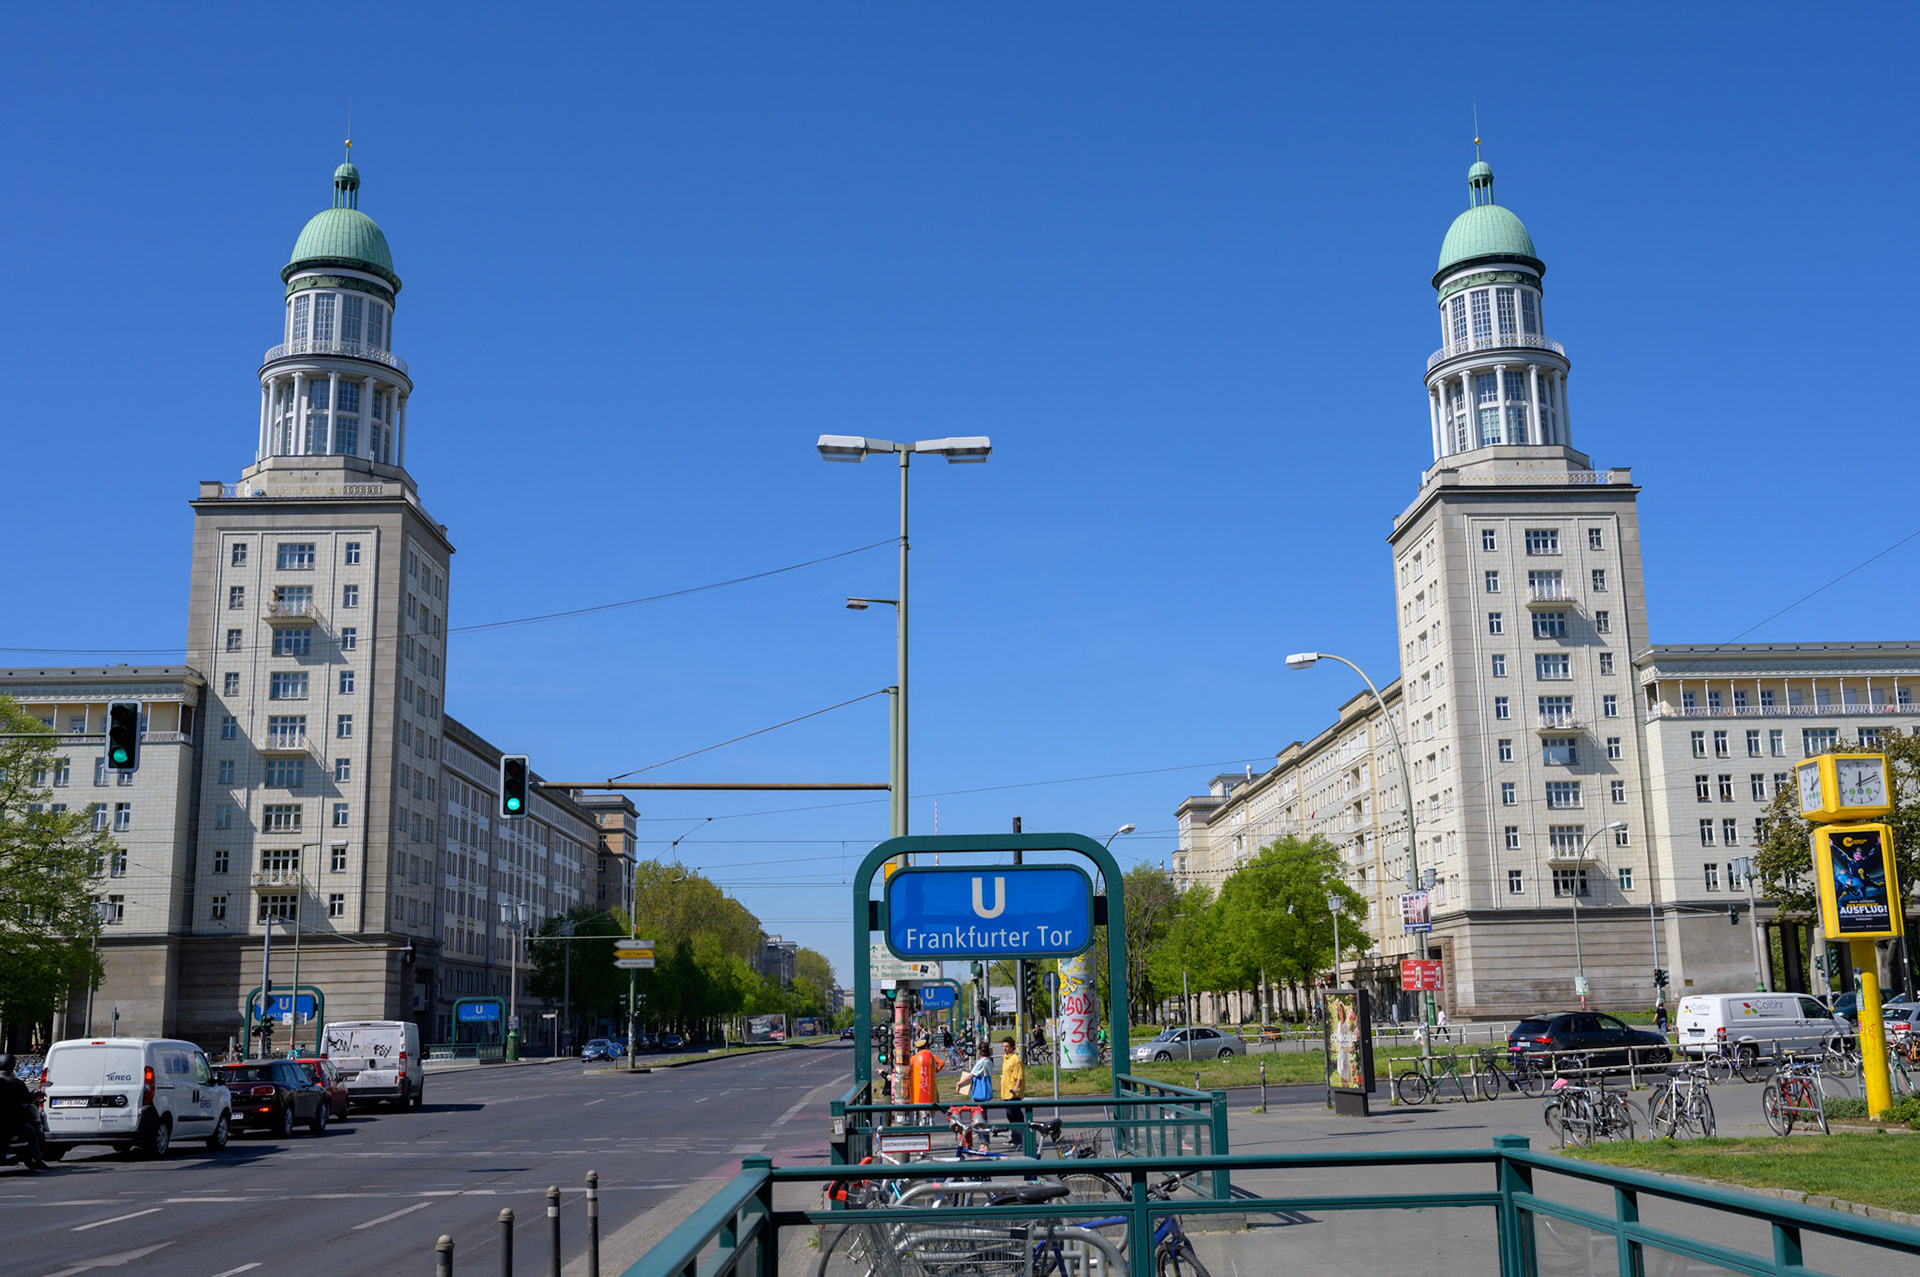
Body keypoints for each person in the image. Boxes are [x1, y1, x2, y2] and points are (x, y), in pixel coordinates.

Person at [0, 1054, 48, 1172]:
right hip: (12, 1121)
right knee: (32, 1133)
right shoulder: (15, 1082)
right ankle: (38, 1159)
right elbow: (26, 1098)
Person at [998, 1036, 1027, 1144]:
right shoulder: (1006, 1058)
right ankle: (1016, 1137)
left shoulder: (1016, 1059)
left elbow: (1019, 1075)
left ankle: (1019, 1138)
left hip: (1013, 1094)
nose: (1005, 1048)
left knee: (1015, 1116)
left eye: (1007, 1046)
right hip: (1006, 1093)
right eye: (1003, 1046)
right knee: (1010, 1116)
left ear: (1012, 1047)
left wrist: (1016, 1089)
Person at [907, 1036, 946, 1111]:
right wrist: (935, 1070)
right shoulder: (931, 1056)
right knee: (933, 1097)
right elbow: (941, 1063)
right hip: (930, 1084)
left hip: (918, 1086)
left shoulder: (914, 1058)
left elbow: (910, 1069)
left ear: (918, 1049)